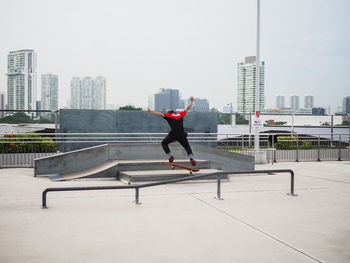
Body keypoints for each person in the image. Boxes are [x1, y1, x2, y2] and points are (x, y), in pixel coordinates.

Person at [147, 96, 197, 166]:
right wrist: (192, 101)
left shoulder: (169, 116)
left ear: (169, 113)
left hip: (173, 134)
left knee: (164, 143)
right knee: (187, 146)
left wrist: (151, 111)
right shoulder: (180, 114)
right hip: (182, 134)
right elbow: (187, 108)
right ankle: (191, 158)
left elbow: (160, 114)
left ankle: (171, 157)